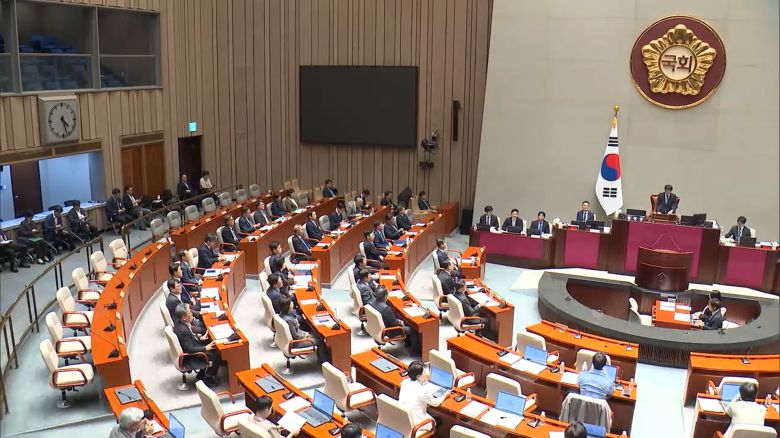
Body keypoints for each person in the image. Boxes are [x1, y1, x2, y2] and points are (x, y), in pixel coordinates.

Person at [172, 304, 220, 386]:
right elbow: (189, 349)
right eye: (189, 313)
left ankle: (201, 374)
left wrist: (200, 338)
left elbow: (189, 340)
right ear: (184, 317)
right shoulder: (183, 330)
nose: (192, 314)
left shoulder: (182, 324)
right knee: (216, 354)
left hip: (193, 346)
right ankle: (208, 376)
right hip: (191, 356)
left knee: (210, 343)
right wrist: (205, 348)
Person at [398, 361, 448, 430]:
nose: (426, 373)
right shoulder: (422, 391)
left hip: (403, 418)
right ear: (418, 376)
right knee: (438, 420)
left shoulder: (404, 382)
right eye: (424, 372)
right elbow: (435, 403)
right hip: (416, 423)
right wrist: (445, 395)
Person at [279, 296, 329, 363]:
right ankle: (324, 363)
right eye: (291, 303)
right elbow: (296, 337)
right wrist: (305, 336)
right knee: (320, 341)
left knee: (313, 333)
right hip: (295, 343)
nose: (292, 304)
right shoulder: (289, 321)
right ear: (288, 306)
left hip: (291, 338)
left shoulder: (282, 314)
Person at [370, 286, 419, 352]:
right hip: (389, 331)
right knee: (413, 329)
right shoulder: (386, 308)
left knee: (405, 322)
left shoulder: (372, 302)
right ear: (385, 296)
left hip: (378, 327)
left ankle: (408, 343)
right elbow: (395, 323)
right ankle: (415, 352)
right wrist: (402, 323)